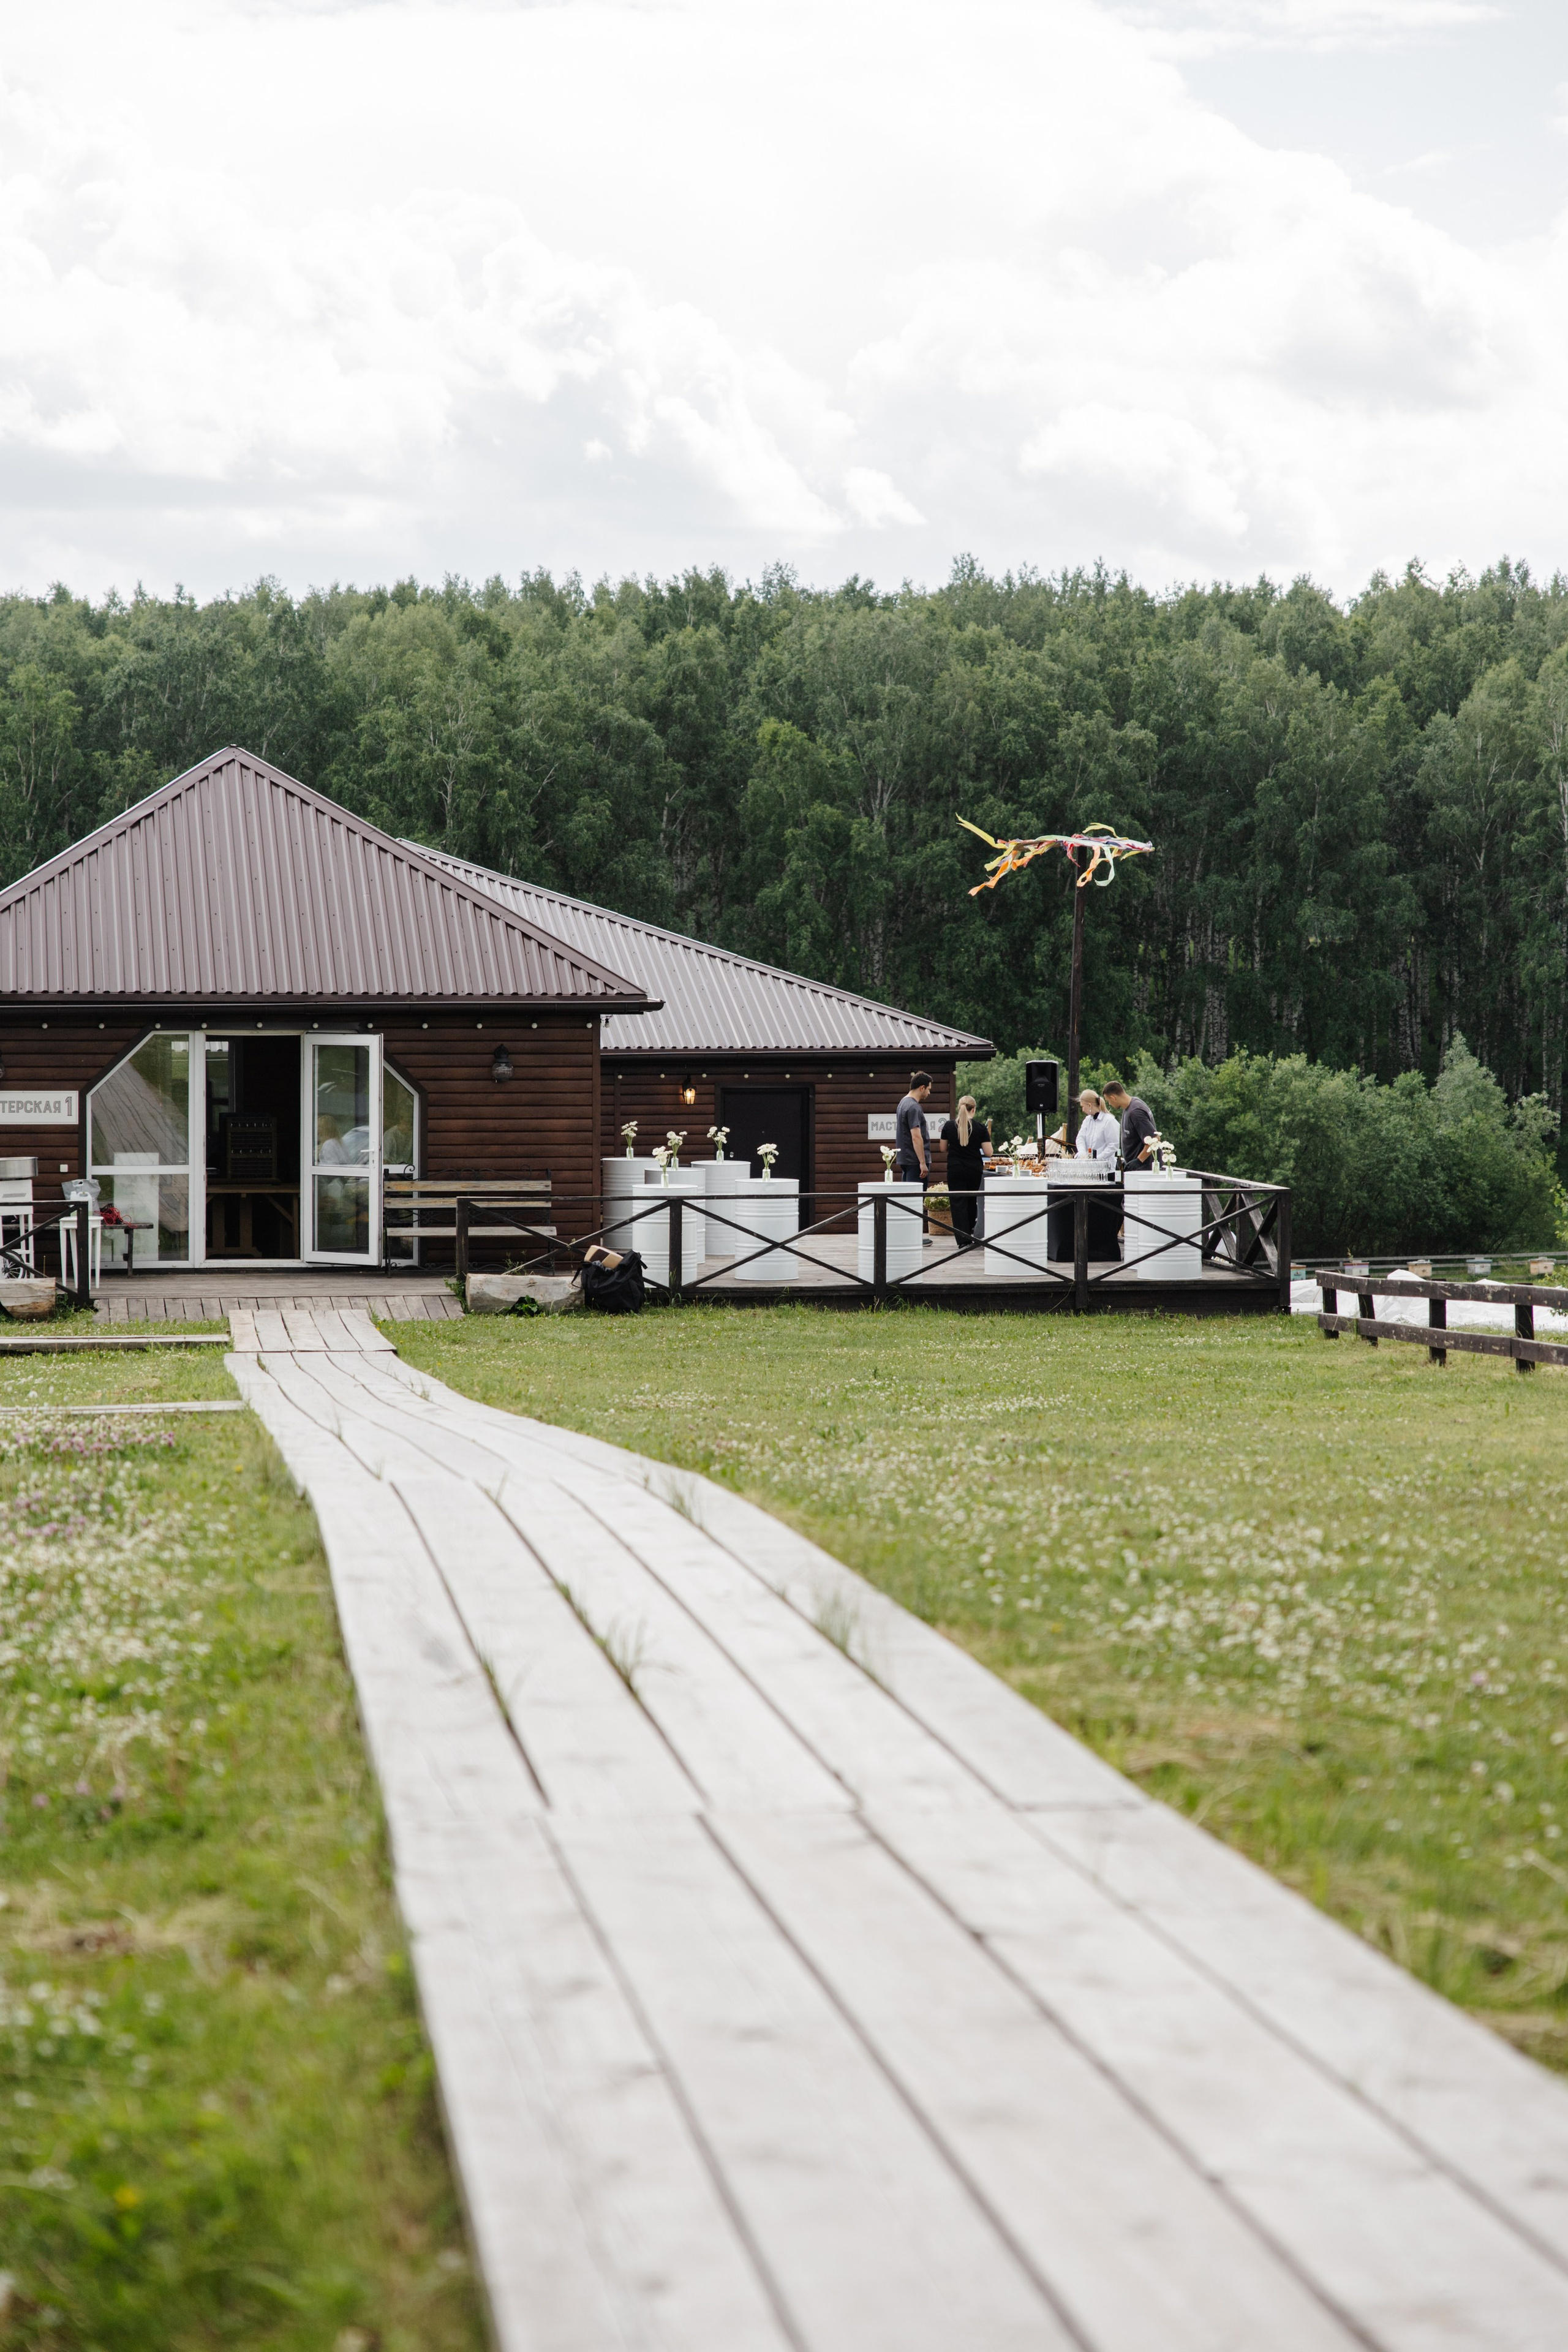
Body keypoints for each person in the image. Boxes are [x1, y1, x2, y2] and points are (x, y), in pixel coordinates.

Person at [939, 1095, 989, 1248]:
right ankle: (969, 1235)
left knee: (957, 1202)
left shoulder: (948, 1126)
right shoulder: (981, 1127)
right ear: (973, 1109)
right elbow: (989, 1153)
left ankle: (962, 1240)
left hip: (955, 1168)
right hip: (974, 1169)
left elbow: (942, 1149)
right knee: (971, 1201)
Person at [1102, 1079, 1156, 1169]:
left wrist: (1139, 1161)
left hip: (1145, 1170)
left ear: (1113, 1098)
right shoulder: (1130, 1106)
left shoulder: (1135, 1112)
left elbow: (1154, 1139)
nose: (1109, 1104)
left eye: (1108, 1100)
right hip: (1135, 1168)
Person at [894, 1071, 932, 1184]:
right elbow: (916, 1136)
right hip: (915, 1162)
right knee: (917, 1198)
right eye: (928, 1089)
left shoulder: (902, 1103)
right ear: (922, 1088)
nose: (929, 1093)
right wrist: (922, 1163)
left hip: (905, 1160)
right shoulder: (914, 1107)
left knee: (907, 1199)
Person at [1075, 1090, 1120, 1167]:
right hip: (1089, 1168)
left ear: (1089, 1105)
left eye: (1083, 1106)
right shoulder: (1087, 1120)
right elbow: (1080, 1138)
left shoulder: (1109, 1121)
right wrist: (1082, 1152)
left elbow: (1113, 1145)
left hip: (1106, 1168)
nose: (1082, 1110)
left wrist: (1098, 1159)